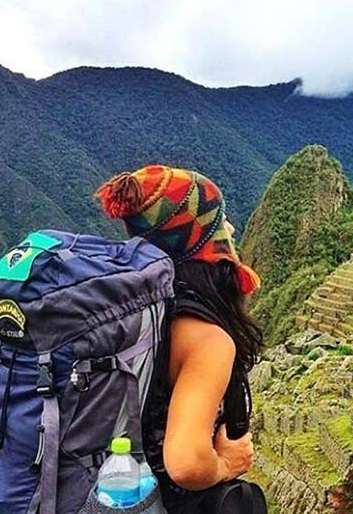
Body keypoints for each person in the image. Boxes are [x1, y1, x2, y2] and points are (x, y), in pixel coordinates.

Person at [95, 165, 263, 512]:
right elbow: (185, 462)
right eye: (221, 221)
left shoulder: (129, 313)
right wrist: (225, 465)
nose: (230, 228)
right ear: (200, 242)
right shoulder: (206, 338)